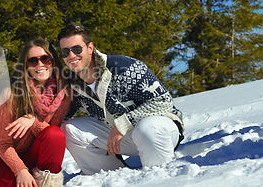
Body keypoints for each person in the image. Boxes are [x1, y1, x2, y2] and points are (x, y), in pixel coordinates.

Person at [57, 24, 184, 174]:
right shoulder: (71, 84)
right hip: (120, 139)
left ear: (90, 48)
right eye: (65, 52)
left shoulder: (124, 67)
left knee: (147, 128)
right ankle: (107, 177)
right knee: (69, 129)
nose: (71, 56)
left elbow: (163, 102)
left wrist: (123, 123)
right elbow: (59, 118)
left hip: (158, 132)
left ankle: (157, 177)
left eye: (76, 49)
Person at [0, 39, 71, 187]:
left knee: (55, 135)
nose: (40, 64)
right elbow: (3, 145)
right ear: (26, 66)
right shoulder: (10, 94)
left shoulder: (63, 94)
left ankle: (47, 185)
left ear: (53, 61)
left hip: (31, 156)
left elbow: (51, 137)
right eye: (33, 60)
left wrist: (32, 121)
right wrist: (20, 170)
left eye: (45, 58)